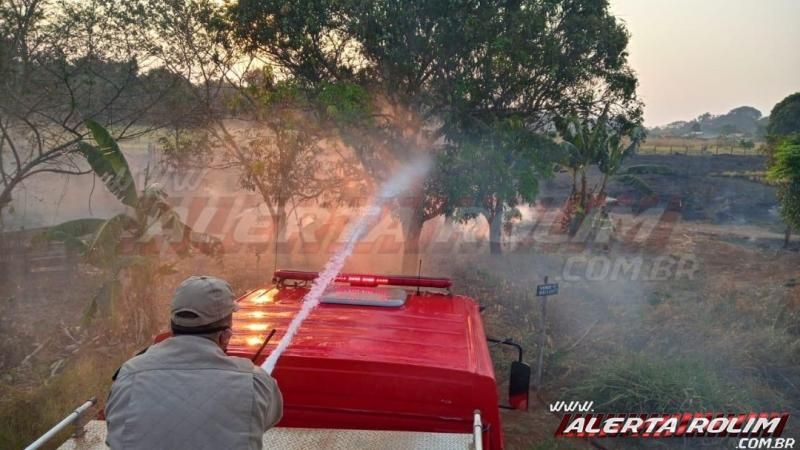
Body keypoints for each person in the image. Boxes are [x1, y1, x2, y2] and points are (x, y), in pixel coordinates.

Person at [106, 276, 283, 450]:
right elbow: (266, 420)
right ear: (225, 337)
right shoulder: (256, 382)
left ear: (172, 324)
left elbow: (115, 426)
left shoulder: (129, 375)